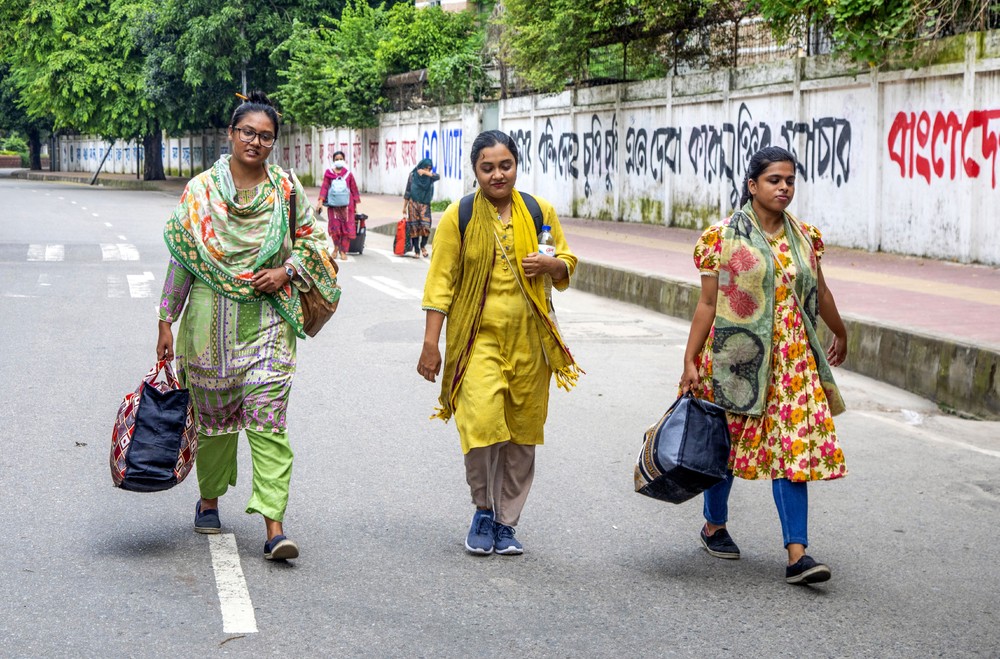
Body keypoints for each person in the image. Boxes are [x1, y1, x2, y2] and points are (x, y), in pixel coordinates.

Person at [155, 91, 340, 561]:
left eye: (265, 136)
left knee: (269, 420)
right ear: (231, 135)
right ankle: (210, 499)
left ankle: (274, 527)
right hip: (206, 324)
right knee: (216, 425)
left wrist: (287, 272)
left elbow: (317, 242)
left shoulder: (284, 189)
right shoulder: (200, 191)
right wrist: (165, 320)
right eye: (248, 133)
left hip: (268, 324)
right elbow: (183, 258)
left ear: (273, 142)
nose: (255, 142)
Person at [679, 145, 849, 585]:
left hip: (793, 363)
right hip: (739, 359)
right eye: (775, 180)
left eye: (790, 180)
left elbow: (822, 294)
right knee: (726, 446)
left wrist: (841, 331)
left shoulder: (806, 236)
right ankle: (713, 525)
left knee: (793, 449)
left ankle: (798, 555)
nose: (784, 188)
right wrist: (689, 359)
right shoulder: (721, 237)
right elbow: (708, 303)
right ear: (753, 185)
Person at [417, 130, 582, 556]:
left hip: (531, 341)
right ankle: (482, 510)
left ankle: (507, 522)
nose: (497, 174)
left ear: (516, 165)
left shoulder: (537, 210)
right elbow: (440, 283)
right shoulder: (461, 215)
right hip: (477, 341)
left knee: (523, 434)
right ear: (475, 170)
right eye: (487, 167)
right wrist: (431, 344)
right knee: (483, 426)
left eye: (504, 165)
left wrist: (553, 265)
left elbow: (566, 262)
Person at [316, 150, 361, 261]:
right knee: (335, 227)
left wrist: (355, 207)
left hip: (347, 206)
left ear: (344, 160)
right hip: (333, 206)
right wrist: (320, 201)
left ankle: (343, 251)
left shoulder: (348, 174)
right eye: (336, 159)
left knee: (346, 228)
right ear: (333, 161)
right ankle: (336, 248)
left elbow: (354, 189)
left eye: (341, 159)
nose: (339, 161)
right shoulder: (329, 174)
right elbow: (325, 187)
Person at [403, 157, 440, 258]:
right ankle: (417, 251)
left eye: (429, 168)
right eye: (425, 168)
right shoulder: (413, 176)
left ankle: (423, 246)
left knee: (426, 226)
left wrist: (426, 173)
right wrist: (404, 207)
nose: (428, 170)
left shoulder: (430, 177)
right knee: (414, 227)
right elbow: (408, 191)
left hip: (425, 204)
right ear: (421, 166)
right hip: (413, 204)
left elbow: (438, 177)